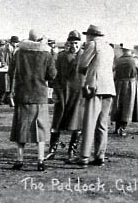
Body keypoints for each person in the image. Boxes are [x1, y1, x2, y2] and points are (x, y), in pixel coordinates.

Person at [68, 25, 115, 168]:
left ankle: (84, 157)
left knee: (89, 123)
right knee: (102, 124)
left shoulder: (92, 45)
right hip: (109, 88)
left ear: (91, 35)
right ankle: (100, 156)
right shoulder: (109, 48)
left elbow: (82, 65)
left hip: (94, 87)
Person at [9, 30, 56, 171]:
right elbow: (52, 75)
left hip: (22, 95)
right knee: (40, 128)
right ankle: (40, 160)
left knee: (21, 128)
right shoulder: (46, 55)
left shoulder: (19, 53)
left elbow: (11, 72)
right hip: (39, 96)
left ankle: (19, 159)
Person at [45, 30, 84, 161]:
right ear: (68, 43)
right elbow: (54, 75)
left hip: (78, 94)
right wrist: (55, 91)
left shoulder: (85, 56)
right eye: (72, 43)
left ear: (80, 43)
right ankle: (52, 149)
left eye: (76, 43)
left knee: (76, 123)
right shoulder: (61, 56)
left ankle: (72, 150)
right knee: (57, 122)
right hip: (62, 93)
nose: (74, 46)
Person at [112, 44, 138, 136]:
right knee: (128, 106)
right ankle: (123, 127)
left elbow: (113, 70)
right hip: (131, 84)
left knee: (119, 105)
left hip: (119, 84)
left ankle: (117, 127)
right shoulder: (135, 61)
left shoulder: (117, 60)